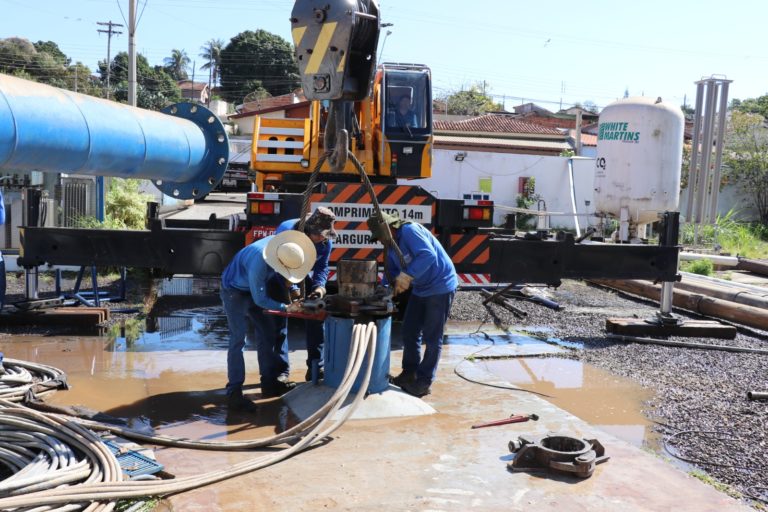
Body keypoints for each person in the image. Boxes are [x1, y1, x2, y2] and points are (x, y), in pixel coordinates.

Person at [220, 230, 316, 410]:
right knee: (238, 339)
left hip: (255, 286)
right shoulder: (260, 264)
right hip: (234, 290)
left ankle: (269, 382)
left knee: (267, 334)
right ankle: (234, 392)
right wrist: (286, 307)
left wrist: (294, 289)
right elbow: (260, 300)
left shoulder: (287, 248)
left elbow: (290, 268)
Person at [367, 211, 457, 397]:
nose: (380, 241)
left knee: (432, 338)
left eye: (380, 237)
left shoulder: (409, 230)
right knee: (410, 330)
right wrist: (385, 289)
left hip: (440, 286)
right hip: (420, 288)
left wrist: (407, 276)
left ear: (389, 228)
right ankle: (409, 373)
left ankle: (423, 381)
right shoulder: (392, 246)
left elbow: (428, 255)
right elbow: (392, 273)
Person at [274, 207, 337, 381]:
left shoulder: (325, 242)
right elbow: (281, 265)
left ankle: (316, 367)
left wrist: (319, 288)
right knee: (280, 321)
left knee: (316, 318)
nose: (323, 238)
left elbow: (322, 267)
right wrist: (293, 289)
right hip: (280, 271)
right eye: (320, 235)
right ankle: (281, 371)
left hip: (303, 273)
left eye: (326, 234)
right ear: (309, 231)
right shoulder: (287, 233)